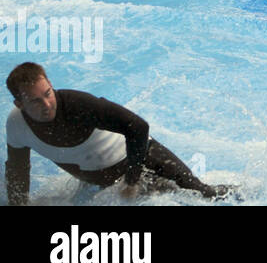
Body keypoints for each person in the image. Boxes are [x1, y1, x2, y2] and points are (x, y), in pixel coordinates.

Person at [5, 62, 232, 205]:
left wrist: (131, 182)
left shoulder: (79, 105)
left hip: (142, 161)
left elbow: (138, 127)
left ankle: (250, 193)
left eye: (48, 93)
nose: (47, 104)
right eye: (35, 100)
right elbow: (17, 170)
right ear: (19, 103)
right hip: (107, 184)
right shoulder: (16, 124)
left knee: (202, 195)